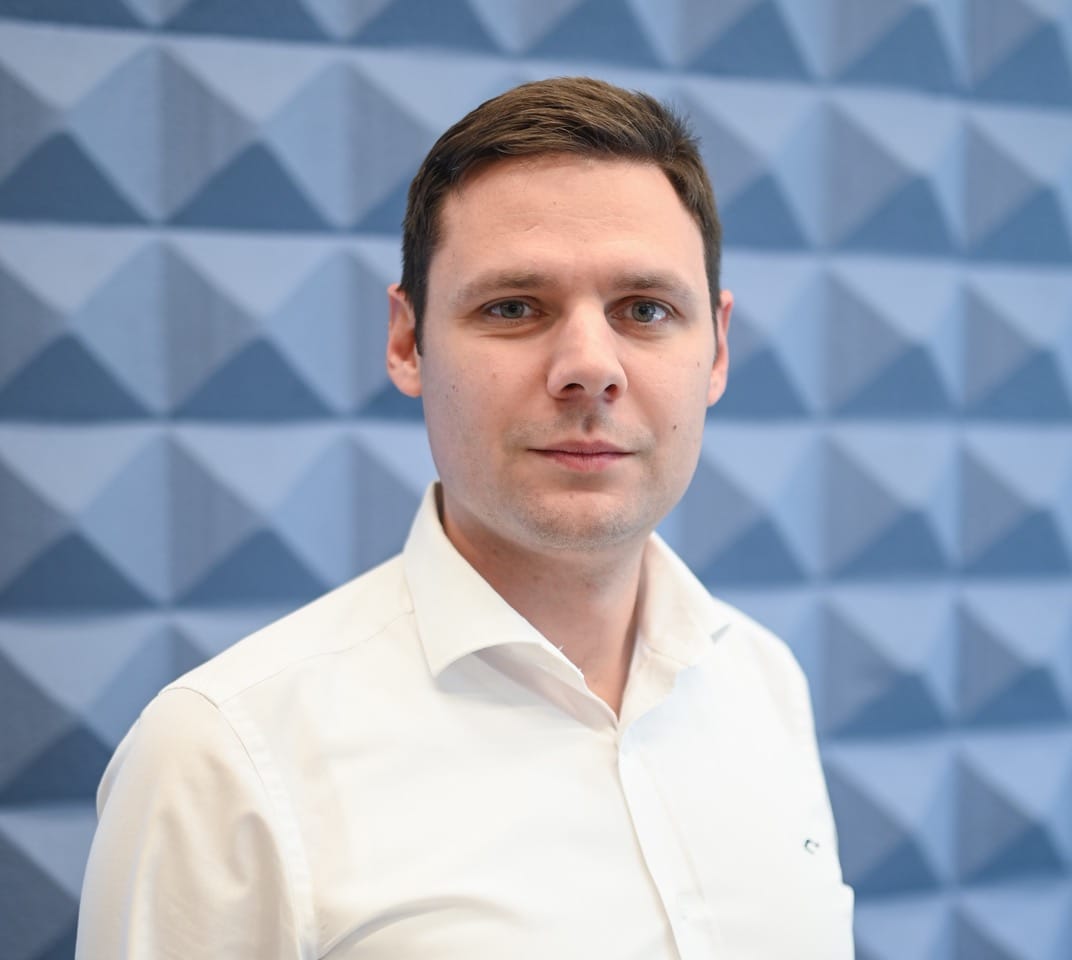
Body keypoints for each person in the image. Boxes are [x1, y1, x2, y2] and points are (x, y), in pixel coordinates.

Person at [76, 76, 854, 959]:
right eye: (513, 307)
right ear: (407, 342)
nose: (589, 367)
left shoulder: (761, 682)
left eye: (645, 310)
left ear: (715, 348)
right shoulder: (223, 757)